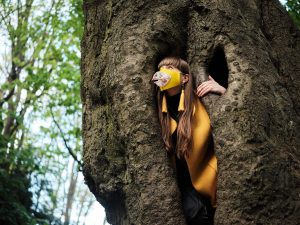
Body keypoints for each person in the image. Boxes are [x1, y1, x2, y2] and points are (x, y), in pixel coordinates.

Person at [151, 57, 226, 225]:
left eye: (169, 67)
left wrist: (222, 90)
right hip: (181, 191)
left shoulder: (201, 101)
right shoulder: (155, 111)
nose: (163, 72)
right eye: (160, 68)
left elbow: (232, 119)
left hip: (211, 185)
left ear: (184, 78)